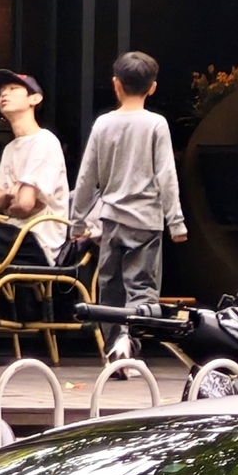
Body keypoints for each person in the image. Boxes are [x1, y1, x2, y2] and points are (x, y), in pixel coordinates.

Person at [69, 51, 187, 312]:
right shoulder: (157, 124)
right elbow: (166, 174)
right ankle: (134, 344)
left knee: (109, 290)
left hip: (111, 220)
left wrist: (77, 222)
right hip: (146, 221)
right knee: (142, 289)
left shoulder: (103, 124)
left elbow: (88, 176)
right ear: (152, 88)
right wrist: (176, 222)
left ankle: (114, 348)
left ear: (116, 84)